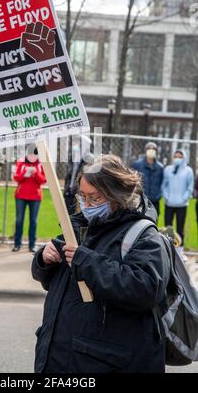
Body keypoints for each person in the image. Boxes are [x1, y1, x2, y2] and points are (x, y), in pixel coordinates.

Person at [32, 154, 170, 373]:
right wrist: (44, 259)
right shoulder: (79, 227)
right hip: (61, 357)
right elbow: (51, 280)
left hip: (107, 362)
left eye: (95, 198)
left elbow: (145, 288)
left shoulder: (143, 235)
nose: (86, 205)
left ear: (118, 196)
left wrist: (84, 260)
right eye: (82, 197)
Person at [12, 147, 46, 253]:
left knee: (33, 221)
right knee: (19, 220)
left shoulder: (40, 164)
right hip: (21, 195)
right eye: (30, 155)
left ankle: (32, 245)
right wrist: (25, 174)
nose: (32, 157)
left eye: (35, 155)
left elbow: (43, 180)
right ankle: (17, 244)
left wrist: (35, 173)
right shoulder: (21, 162)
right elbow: (16, 178)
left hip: (35, 196)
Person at [162, 149, 194, 260]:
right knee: (168, 228)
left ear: (184, 158)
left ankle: (180, 252)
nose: (177, 158)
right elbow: (164, 185)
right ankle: (168, 249)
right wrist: (166, 197)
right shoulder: (168, 169)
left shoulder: (188, 171)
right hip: (169, 203)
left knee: (180, 228)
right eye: (175, 156)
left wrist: (183, 198)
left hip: (182, 205)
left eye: (180, 156)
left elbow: (190, 187)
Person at [64, 136, 94, 215]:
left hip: (79, 193)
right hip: (69, 191)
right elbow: (69, 175)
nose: (75, 145)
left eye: (78, 143)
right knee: (66, 215)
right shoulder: (72, 157)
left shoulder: (90, 160)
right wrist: (67, 188)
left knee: (77, 215)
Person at [131, 142, 163, 216]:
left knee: (154, 220)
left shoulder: (160, 167)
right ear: (145, 150)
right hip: (140, 199)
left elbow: (162, 183)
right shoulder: (137, 165)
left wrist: (158, 195)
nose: (151, 150)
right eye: (149, 148)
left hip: (155, 200)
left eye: (153, 149)